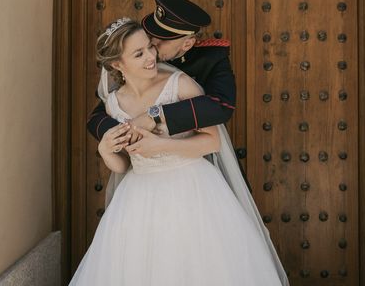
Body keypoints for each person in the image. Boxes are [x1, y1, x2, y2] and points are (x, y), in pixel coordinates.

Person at [69, 18, 288, 285]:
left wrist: (162, 145)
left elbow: (212, 142)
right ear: (117, 65)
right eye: (139, 54)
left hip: (192, 187)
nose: (151, 56)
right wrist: (105, 150)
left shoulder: (178, 84)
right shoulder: (114, 104)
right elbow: (124, 166)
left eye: (150, 47)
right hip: (138, 197)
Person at [86, 0, 236, 146]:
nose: (153, 43)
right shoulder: (143, 54)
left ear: (187, 44)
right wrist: (125, 135)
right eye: (152, 34)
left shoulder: (212, 58)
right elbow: (99, 114)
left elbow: (221, 107)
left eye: (163, 40)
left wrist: (155, 116)